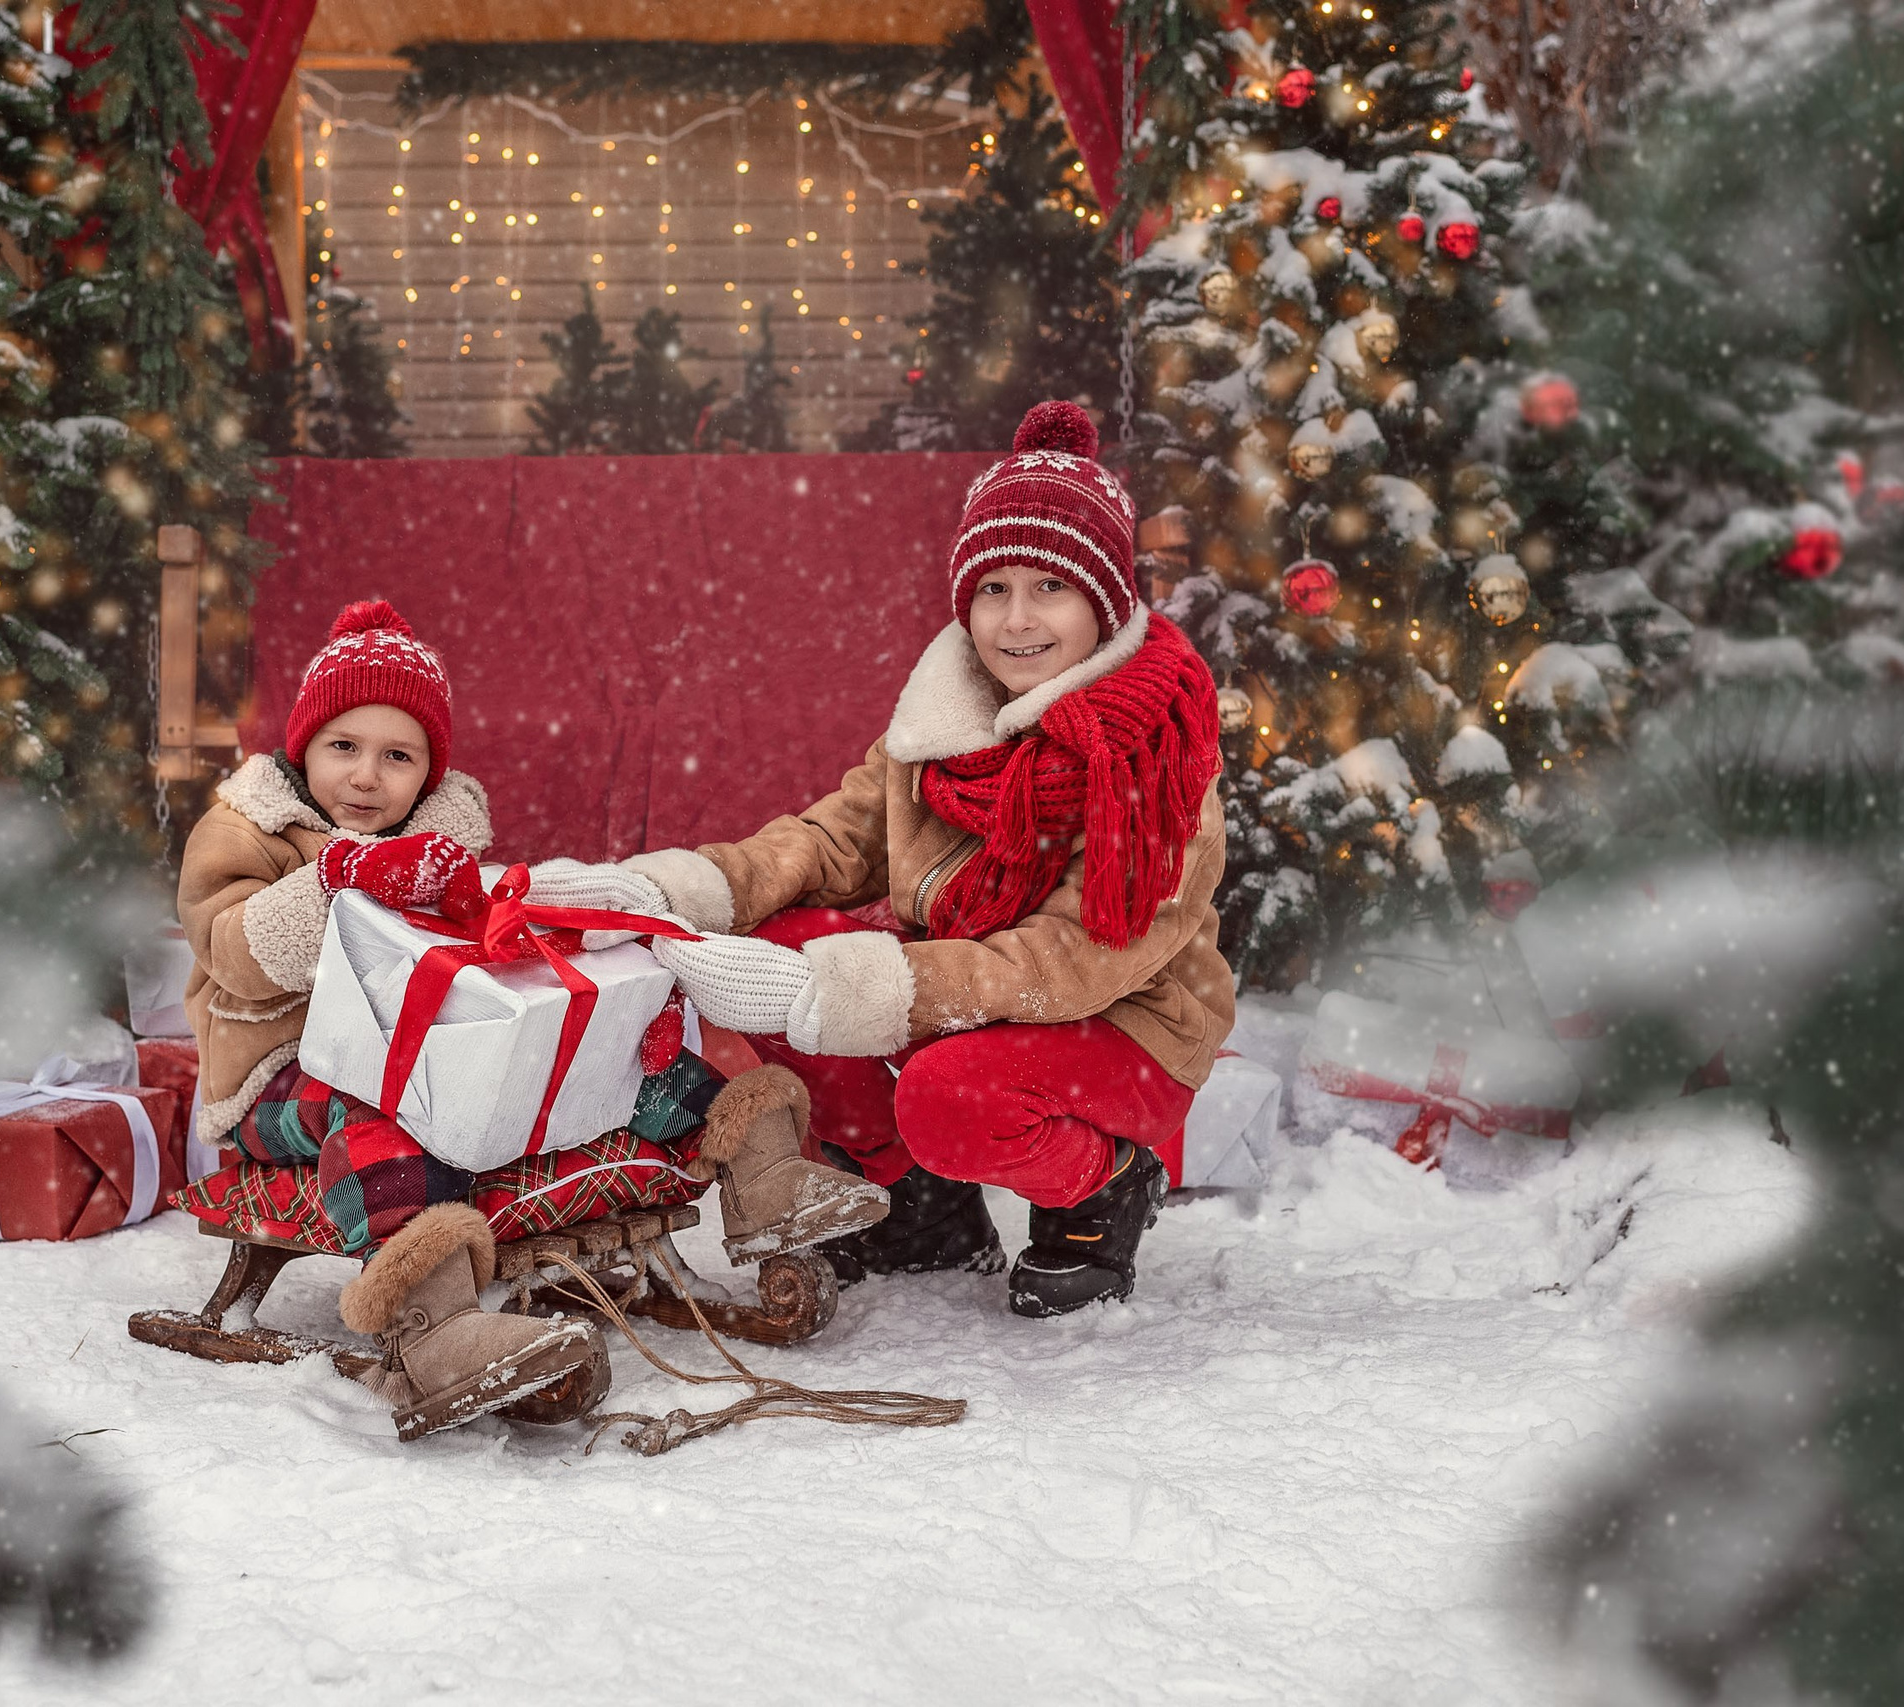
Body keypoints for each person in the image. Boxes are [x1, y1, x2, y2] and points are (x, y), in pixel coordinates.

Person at [547, 401, 1235, 1316]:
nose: (1017, 620)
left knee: (948, 1093)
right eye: (994, 588)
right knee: (783, 948)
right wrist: (683, 887)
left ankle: (1101, 1187)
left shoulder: (1153, 751)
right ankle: (922, 1209)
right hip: (971, 990)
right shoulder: (940, 724)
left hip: (1123, 1024)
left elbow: (1075, 962)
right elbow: (833, 840)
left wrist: (882, 987)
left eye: (1049, 588)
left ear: (1104, 599)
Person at [175, 600, 883, 1437]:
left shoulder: (437, 844)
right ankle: (434, 1327)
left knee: (616, 1061)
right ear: (303, 749)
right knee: (381, 1111)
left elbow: (475, 950)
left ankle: (760, 1178)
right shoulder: (245, 831)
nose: (366, 777)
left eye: (396, 756)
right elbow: (234, 952)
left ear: (428, 773)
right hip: (285, 1070)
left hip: (428, 1039)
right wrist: (338, 876)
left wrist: (587, 1017)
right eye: (344, 748)